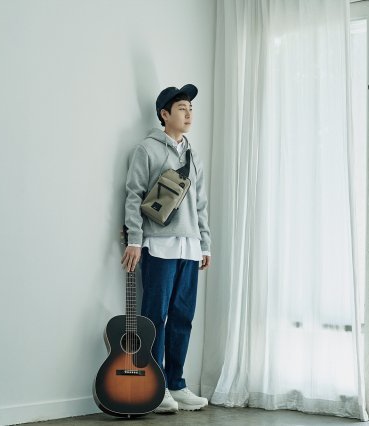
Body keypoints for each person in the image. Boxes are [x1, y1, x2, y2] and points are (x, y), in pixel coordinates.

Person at [122, 84, 211, 413]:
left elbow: (200, 203)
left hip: (190, 247)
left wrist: (205, 243)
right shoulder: (146, 150)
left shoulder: (193, 155)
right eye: (182, 109)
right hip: (158, 245)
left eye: (191, 109)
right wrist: (134, 239)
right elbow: (133, 195)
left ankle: (176, 383)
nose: (189, 114)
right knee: (154, 317)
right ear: (164, 114)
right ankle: (154, 385)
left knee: (183, 318)